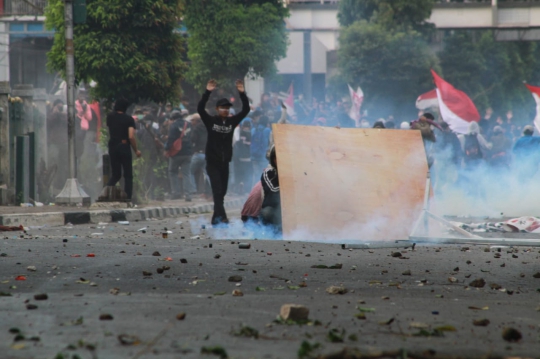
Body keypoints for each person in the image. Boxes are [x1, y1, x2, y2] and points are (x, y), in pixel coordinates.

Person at [197, 79, 250, 226]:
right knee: (217, 190)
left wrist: (242, 93)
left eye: (227, 108)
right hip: (212, 162)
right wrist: (207, 92)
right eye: (223, 108)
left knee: (222, 192)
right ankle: (223, 217)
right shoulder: (211, 121)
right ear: (217, 109)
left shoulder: (232, 122)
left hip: (225, 162)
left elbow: (246, 110)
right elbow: (200, 109)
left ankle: (215, 218)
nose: (225, 110)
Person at [106, 98, 142, 202]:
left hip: (112, 146)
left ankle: (105, 192)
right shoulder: (129, 119)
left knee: (116, 174)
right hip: (124, 146)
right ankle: (127, 198)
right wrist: (136, 150)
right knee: (128, 175)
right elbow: (131, 136)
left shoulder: (110, 117)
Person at [164, 111, 193, 201]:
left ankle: (175, 193)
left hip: (176, 153)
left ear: (173, 118)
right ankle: (188, 195)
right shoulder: (188, 124)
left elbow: (171, 139)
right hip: (187, 152)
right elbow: (192, 137)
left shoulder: (174, 125)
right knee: (186, 174)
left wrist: (166, 149)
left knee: (172, 172)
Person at [261, 146, 281, 235]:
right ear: (273, 159)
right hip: (274, 209)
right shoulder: (268, 173)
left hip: (293, 210)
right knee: (266, 213)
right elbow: (273, 190)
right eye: (277, 157)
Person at [189, 114, 209, 196]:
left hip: (198, 154)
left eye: (192, 120)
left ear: (196, 121)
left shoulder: (196, 128)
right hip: (207, 153)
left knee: (189, 171)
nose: (191, 122)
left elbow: (193, 139)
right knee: (207, 173)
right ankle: (209, 191)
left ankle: (193, 189)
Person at [251, 115, 271, 185]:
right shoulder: (267, 130)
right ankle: (262, 190)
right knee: (264, 174)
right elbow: (270, 142)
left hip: (253, 155)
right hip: (263, 157)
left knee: (256, 174)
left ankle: (254, 190)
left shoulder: (254, 129)